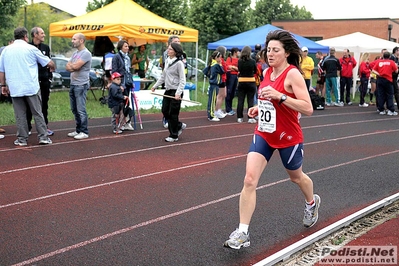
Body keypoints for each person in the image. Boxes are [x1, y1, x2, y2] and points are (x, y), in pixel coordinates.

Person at [224, 30, 319, 250]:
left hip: (288, 136)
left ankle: (311, 202)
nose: (270, 54)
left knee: (296, 178)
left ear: (286, 53)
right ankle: (243, 232)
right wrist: (259, 108)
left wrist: (281, 97)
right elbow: (270, 102)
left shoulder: (293, 74)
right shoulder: (267, 72)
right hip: (264, 133)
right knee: (249, 180)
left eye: (276, 50)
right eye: (268, 50)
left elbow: (308, 108)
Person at [0, 26, 54, 146]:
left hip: (15, 87)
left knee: (20, 115)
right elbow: (48, 62)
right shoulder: (31, 49)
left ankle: (22, 139)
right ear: (25, 37)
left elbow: (1, 70)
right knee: (37, 112)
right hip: (31, 86)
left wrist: (3, 85)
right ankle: (43, 137)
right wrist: (52, 66)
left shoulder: (6, 50)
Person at [151, 42, 186, 142]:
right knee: (165, 110)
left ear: (175, 51)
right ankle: (179, 125)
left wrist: (178, 92)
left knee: (173, 113)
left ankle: (173, 135)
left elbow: (183, 80)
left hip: (176, 91)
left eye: (170, 49)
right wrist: (155, 86)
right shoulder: (167, 61)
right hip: (168, 90)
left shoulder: (179, 63)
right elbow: (163, 76)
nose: (168, 50)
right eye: (168, 48)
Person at [26, 27, 54, 136]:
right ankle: (27, 127)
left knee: (44, 104)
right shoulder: (28, 47)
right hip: (31, 80)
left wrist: (49, 77)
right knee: (29, 105)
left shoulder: (46, 47)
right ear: (35, 35)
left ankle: (44, 126)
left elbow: (49, 63)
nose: (44, 35)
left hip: (44, 80)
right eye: (42, 33)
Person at [66, 33, 92, 140]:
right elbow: (67, 67)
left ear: (81, 41)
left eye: (74, 39)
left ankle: (84, 131)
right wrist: (73, 66)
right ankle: (78, 129)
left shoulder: (86, 53)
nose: (72, 41)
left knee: (81, 109)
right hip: (73, 83)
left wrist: (73, 66)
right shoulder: (75, 53)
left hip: (81, 84)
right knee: (74, 109)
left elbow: (75, 66)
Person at [111, 40, 135, 131]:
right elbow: (114, 70)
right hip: (121, 83)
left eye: (128, 46)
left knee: (126, 103)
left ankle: (126, 122)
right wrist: (118, 84)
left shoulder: (127, 57)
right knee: (120, 104)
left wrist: (131, 81)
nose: (127, 48)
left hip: (127, 82)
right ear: (121, 47)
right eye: (125, 46)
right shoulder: (117, 57)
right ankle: (118, 124)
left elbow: (128, 71)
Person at [236, 45, 258, 124]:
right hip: (251, 81)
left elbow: (239, 70)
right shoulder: (252, 61)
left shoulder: (239, 61)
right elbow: (255, 71)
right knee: (250, 100)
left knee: (240, 100)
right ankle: (250, 117)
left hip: (241, 81)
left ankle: (239, 117)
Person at [373, 51, 398, 116]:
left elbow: (373, 70)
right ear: (389, 57)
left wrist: (379, 74)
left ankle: (381, 109)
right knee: (390, 95)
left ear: (383, 56)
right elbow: (396, 71)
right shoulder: (391, 62)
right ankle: (390, 109)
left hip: (380, 79)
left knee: (381, 94)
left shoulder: (379, 62)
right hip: (388, 80)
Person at [203, 51, 224, 121]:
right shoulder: (216, 65)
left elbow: (205, 71)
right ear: (216, 57)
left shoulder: (212, 64)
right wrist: (220, 64)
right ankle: (211, 116)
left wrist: (210, 77)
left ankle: (210, 114)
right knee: (212, 101)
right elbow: (222, 71)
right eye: (219, 57)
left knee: (211, 100)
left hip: (213, 84)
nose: (220, 59)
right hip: (215, 84)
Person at [214, 46, 228, 119]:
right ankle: (216, 111)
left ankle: (218, 109)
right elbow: (224, 69)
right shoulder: (220, 60)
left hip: (223, 79)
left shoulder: (222, 60)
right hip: (221, 79)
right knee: (220, 95)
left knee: (224, 94)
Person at [225, 47, 239, 116]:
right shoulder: (229, 59)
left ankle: (230, 108)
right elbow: (228, 67)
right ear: (235, 52)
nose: (239, 53)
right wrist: (234, 68)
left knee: (233, 92)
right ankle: (228, 108)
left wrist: (233, 67)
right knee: (229, 91)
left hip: (235, 76)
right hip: (230, 76)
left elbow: (238, 68)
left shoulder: (238, 60)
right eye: (238, 52)